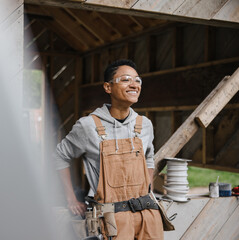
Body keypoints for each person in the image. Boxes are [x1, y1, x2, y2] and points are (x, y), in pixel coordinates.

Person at [54, 59, 164, 240]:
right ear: (108, 87)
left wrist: (148, 190)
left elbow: (149, 157)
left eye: (137, 80)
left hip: (147, 218)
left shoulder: (145, 125)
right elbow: (59, 157)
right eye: (126, 79)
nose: (134, 84)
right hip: (111, 220)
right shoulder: (88, 126)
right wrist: (71, 199)